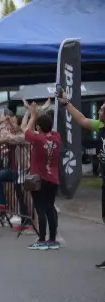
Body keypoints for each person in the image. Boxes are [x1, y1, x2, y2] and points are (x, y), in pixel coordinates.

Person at [57, 90, 105, 267]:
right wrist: (66, 103)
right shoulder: (101, 126)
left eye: (101, 109)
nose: (99, 111)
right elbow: (82, 120)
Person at [24, 102, 61, 250]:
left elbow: (26, 130)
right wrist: (42, 113)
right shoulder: (57, 137)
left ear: (39, 128)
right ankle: (52, 240)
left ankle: (41, 240)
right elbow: (44, 128)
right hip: (53, 178)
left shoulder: (38, 139)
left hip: (39, 178)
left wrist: (33, 115)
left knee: (40, 209)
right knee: (49, 208)